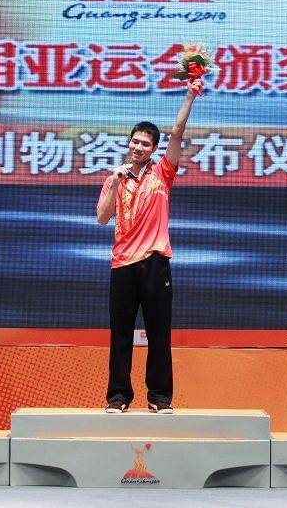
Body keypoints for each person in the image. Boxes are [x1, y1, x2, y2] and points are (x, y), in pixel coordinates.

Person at [97, 81, 200, 414]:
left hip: (155, 262)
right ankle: (118, 397)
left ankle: (159, 397)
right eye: (135, 141)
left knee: (158, 332)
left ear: (154, 149)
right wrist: (115, 183)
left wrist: (189, 96)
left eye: (145, 143)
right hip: (122, 264)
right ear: (129, 143)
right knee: (120, 333)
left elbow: (178, 132)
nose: (138, 147)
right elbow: (102, 218)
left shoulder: (162, 174)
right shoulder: (115, 178)